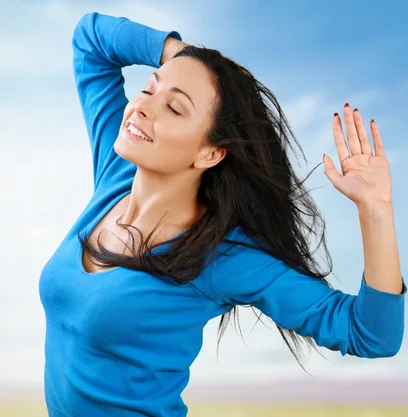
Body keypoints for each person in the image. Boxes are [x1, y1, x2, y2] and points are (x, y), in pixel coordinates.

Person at [38, 11, 405, 417]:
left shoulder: (223, 257)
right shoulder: (115, 176)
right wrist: (184, 55)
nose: (142, 107)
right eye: (148, 88)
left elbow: (373, 334)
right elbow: (91, 40)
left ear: (210, 152)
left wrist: (376, 208)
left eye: (174, 108)